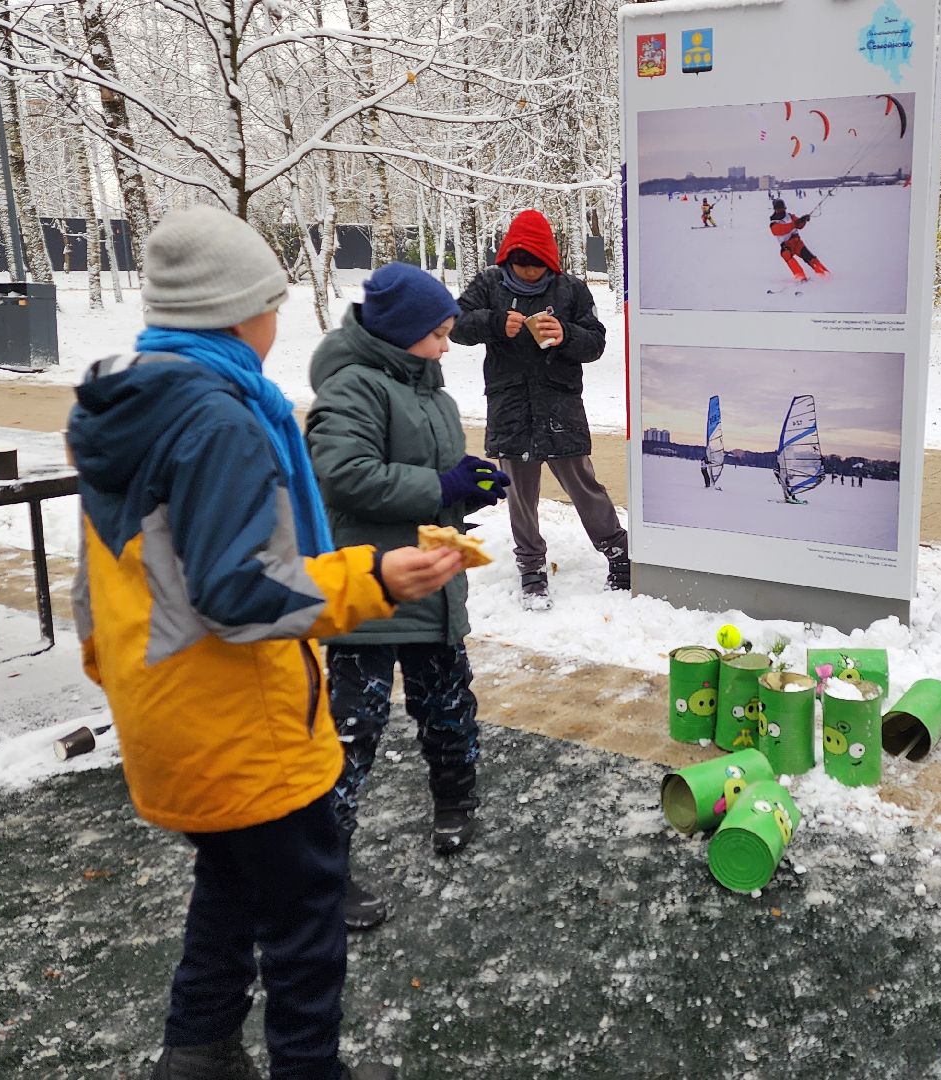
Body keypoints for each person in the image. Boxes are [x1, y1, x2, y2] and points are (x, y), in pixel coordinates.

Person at [67, 205, 459, 1080]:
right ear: (241, 310)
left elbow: (93, 587)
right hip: (240, 717)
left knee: (233, 887)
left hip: (169, 705)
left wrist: (127, 684)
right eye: (272, 299)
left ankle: (198, 1050)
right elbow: (242, 591)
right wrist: (377, 577)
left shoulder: (133, 405)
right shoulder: (218, 422)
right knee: (303, 917)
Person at [304, 262, 509, 931]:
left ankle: (456, 804)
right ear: (400, 333)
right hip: (367, 588)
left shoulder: (435, 393)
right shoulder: (352, 388)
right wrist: (443, 487)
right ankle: (322, 872)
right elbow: (343, 475)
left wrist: (469, 489)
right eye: (438, 334)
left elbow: (433, 476)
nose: (447, 346)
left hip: (434, 585)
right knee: (352, 732)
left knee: (449, 708)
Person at [452, 208, 628, 610]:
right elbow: (456, 324)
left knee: (584, 486)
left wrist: (565, 334)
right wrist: (495, 323)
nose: (529, 271)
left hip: (559, 404)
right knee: (520, 493)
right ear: (508, 259)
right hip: (510, 403)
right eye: (520, 264)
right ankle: (531, 567)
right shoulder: (489, 284)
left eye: (536, 265)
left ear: (549, 260)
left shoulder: (571, 289)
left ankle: (619, 553)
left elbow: (596, 343)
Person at [769, 198, 829, 284]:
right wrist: (795, 223)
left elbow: (799, 225)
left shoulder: (790, 216)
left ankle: (824, 273)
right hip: (786, 246)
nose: (781, 210)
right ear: (775, 209)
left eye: (782, 208)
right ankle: (800, 276)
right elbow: (782, 230)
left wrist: (803, 220)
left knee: (810, 258)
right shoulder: (773, 223)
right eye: (779, 209)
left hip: (797, 243)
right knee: (786, 255)